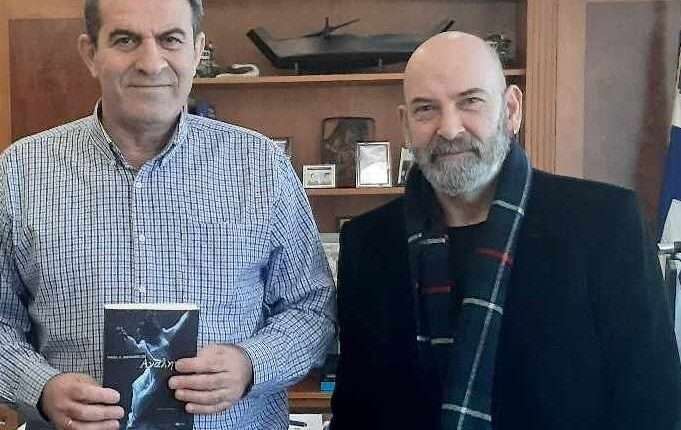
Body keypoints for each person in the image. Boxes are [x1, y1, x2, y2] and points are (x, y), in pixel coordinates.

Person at [0, 0, 335, 429]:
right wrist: (40, 388)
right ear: (90, 53)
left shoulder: (261, 167)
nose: (151, 62)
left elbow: (313, 308)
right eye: (126, 40)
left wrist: (251, 364)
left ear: (196, 51)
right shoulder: (21, 172)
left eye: (170, 39)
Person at [330, 31, 681, 430]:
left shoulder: (604, 224)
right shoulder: (367, 244)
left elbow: (654, 406)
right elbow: (356, 411)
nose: (450, 129)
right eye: (426, 109)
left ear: (511, 109)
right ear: (406, 125)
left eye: (470, 101)